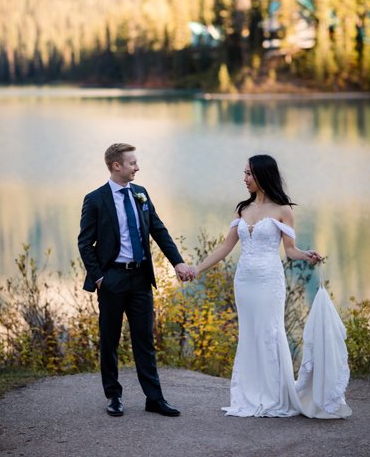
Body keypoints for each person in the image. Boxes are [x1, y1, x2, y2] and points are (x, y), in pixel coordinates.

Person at [192, 154, 352, 418]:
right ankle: (249, 394)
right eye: (244, 173)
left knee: (269, 332)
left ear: (262, 176)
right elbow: (225, 246)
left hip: (269, 280)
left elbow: (289, 251)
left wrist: (306, 254)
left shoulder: (283, 210)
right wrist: (197, 269)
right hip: (244, 280)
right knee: (249, 333)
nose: (244, 179)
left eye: (248, 174)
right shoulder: (242, 209)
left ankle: (273, 395)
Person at [78, 143, 196, 417]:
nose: (137, 167)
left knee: (144, 340)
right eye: (132, 163)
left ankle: (154, 398)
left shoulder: (141, 194)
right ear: (116, 166)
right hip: (112, 279)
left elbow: (158, 229)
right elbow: (85, 243)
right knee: (110, 340)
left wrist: (177, 261)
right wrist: (99, 278)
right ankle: (114, 396)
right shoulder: (95, 199)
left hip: (141, 278)